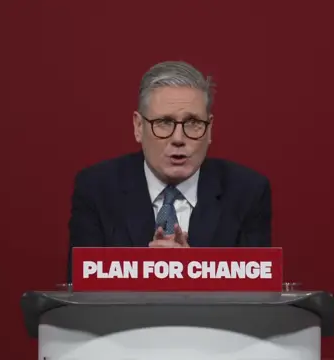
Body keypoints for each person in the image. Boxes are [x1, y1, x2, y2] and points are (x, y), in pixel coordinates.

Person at [67, 61, 271, 281]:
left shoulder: (247, 193)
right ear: (138, 127)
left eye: (193, 122)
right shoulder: (97, 190)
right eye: (164, 122)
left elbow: (255, 300)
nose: (178, 139)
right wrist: (150, 273)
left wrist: (190, 272)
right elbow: (81, 295)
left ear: (209, 129)